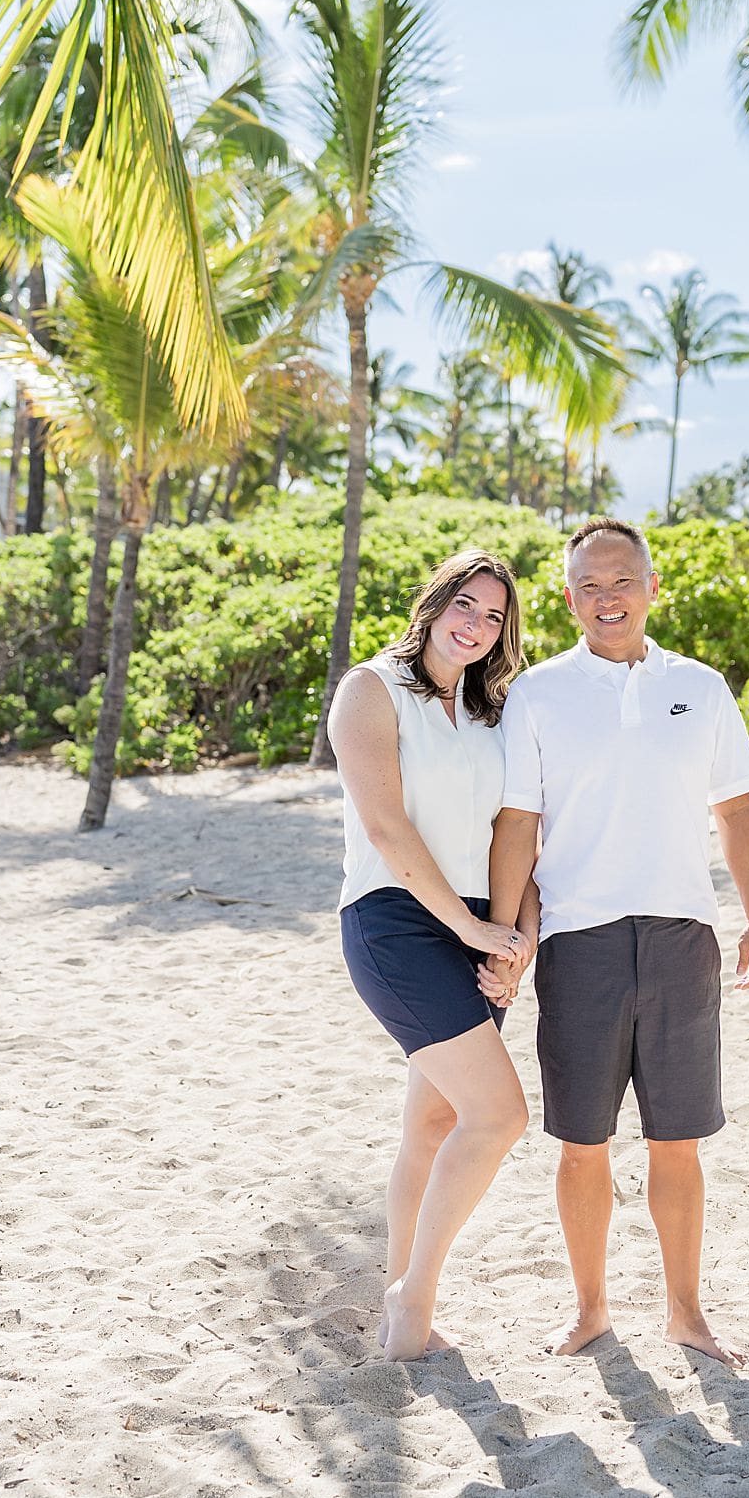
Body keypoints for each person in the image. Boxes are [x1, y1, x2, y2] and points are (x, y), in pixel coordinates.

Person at [484, 517, 749, 1367]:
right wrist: (506, 938)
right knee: (583, 1142)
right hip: (581, 940)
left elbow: (738, 811)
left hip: (685, 935)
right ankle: (591, 1310)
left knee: (677, 1141)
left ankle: (686, 1314)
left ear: (652, 588)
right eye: (589, 587)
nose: (607, 599)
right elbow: (516, 826)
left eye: (623, 582)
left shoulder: (702, 687)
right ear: (570, 599)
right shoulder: (537, 695)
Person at [328, 551, 537, 1362]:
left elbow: (516, 831)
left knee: (434, 1121)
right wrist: (470, 928)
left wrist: (513, 939)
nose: (476, 625)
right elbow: (386, 827)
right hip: (397, 922)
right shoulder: (370, 691)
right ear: (436, 602)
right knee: (501, 1115)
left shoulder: (494, 714)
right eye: (466, 605)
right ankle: (414, 1296)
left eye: (494, 617)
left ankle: (398, 1308)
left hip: (481, 928)